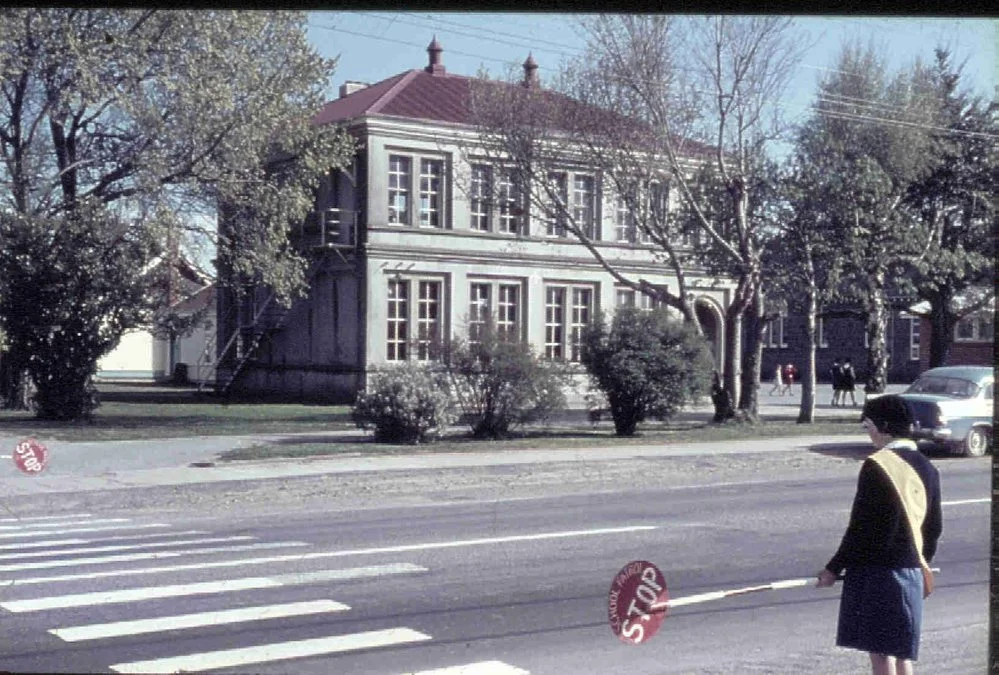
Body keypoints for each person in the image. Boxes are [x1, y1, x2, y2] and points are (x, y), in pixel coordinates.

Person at [816, 394, 942, 675]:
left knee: (881, 656)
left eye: (869, 426)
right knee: (902, 655)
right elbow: (933, 528)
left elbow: (861, 527)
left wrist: (833, 569)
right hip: (910, 570)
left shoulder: (877, 465)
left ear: (883, 426)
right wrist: (922, 564)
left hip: (878, 573)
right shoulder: (928, 467)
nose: (869, 433)